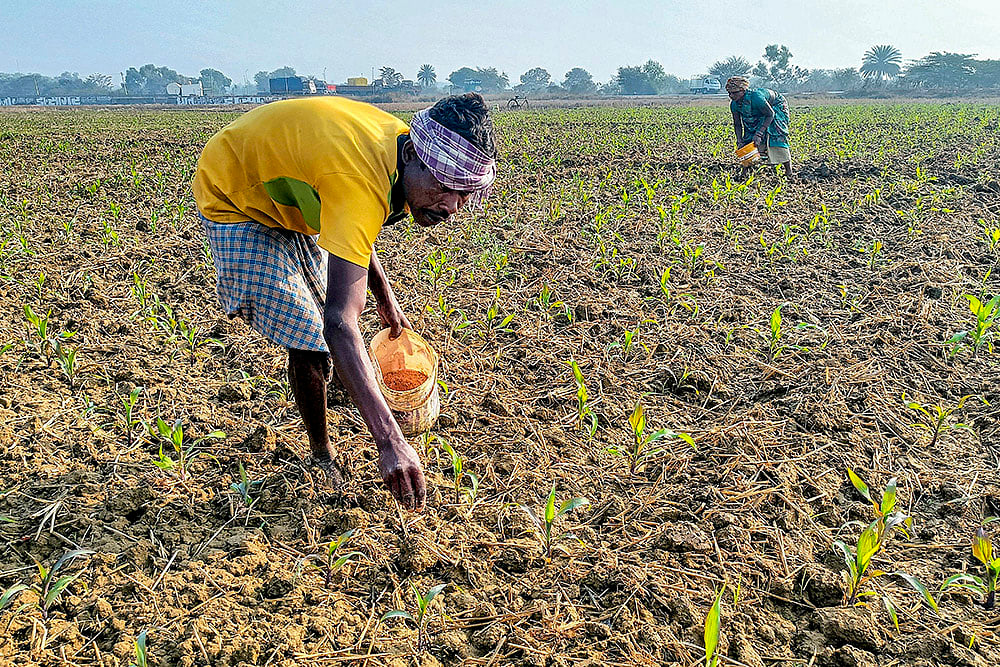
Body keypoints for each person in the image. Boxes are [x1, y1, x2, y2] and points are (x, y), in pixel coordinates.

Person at [192, 93, 497, 510]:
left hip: (295, 191)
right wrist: (391, 442)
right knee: (312, 335)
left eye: (462, 194)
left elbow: (355, 225)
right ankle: (321, 455)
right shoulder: (359, 177)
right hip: (235, 191)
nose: (450, 205)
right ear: (411, 153)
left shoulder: (395, 156)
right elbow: (338, 322)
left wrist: (385, 297)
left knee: (331, 314)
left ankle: (346, 386)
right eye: (443, 186)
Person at [726, 76, 792, 178]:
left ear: (743, 90)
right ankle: (745, 172)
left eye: (734, 93)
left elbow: (770, 114)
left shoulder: (756, 97)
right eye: (729, 93)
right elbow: (737, 124)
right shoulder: (734, 104)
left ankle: (788, 171)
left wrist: (759, 133)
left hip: (775, 107)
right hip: (759, 112)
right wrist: (739, 140)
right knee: (748, 138)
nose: (731, 96)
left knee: (776, 135)